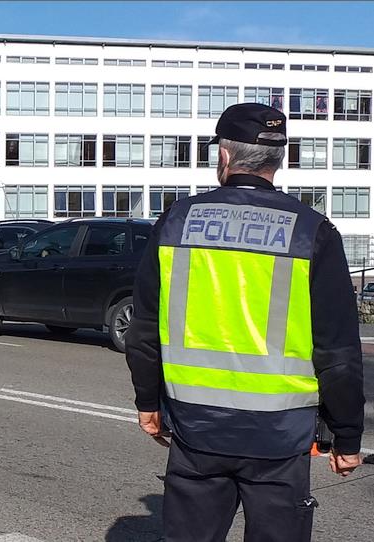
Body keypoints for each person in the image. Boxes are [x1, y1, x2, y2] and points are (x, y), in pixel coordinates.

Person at [126, 103, 364, 542]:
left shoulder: (176, 222)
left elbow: (143, 328)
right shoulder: (312, 232)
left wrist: (148, 402)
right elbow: (338, 352)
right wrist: (347, 437)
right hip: (280, 438)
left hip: (196, 429)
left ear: (225, 156)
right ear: (280, 159)